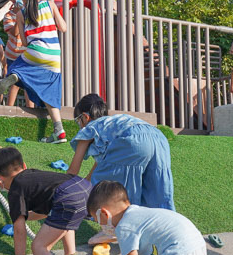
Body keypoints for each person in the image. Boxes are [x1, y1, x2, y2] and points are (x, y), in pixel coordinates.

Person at [0, 146, 89, 255]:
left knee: (39, 246)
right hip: (82, 186)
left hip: (67, 198)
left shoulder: (15, 189)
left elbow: (19, 231)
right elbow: (45, 211)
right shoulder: (33, 176)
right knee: (64, 218)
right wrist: (25, 216)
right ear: (25, 166)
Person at [68, 93, 175, 243]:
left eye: (77, 121)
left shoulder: (90, 128)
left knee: (109, 189)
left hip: (133, 140)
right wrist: (86, 185)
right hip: (159, 139)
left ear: (84, 117)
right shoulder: (112, 124)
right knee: (157, 189)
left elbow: (73, 171)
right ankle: (167, 233)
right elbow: (97, 171)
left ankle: (112, 230)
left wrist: (61, 193)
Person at [0, 0, 69, 143]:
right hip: (54, 55)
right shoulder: (50, 4)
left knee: (16, 68)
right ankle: (59, 128)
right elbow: (63, 28)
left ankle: (17, 77)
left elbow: (25, 42)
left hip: (34, 52)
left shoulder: (20, 14)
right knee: (51, 90)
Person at [2, 0, 33, 108]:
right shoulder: (8, 16)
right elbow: (14, 33)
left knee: (28, 83)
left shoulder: (29, 14)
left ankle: (31, 109)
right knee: (14, 83)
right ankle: (10, 108)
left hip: (26, 53)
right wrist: (19, 16)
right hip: (13, 55)